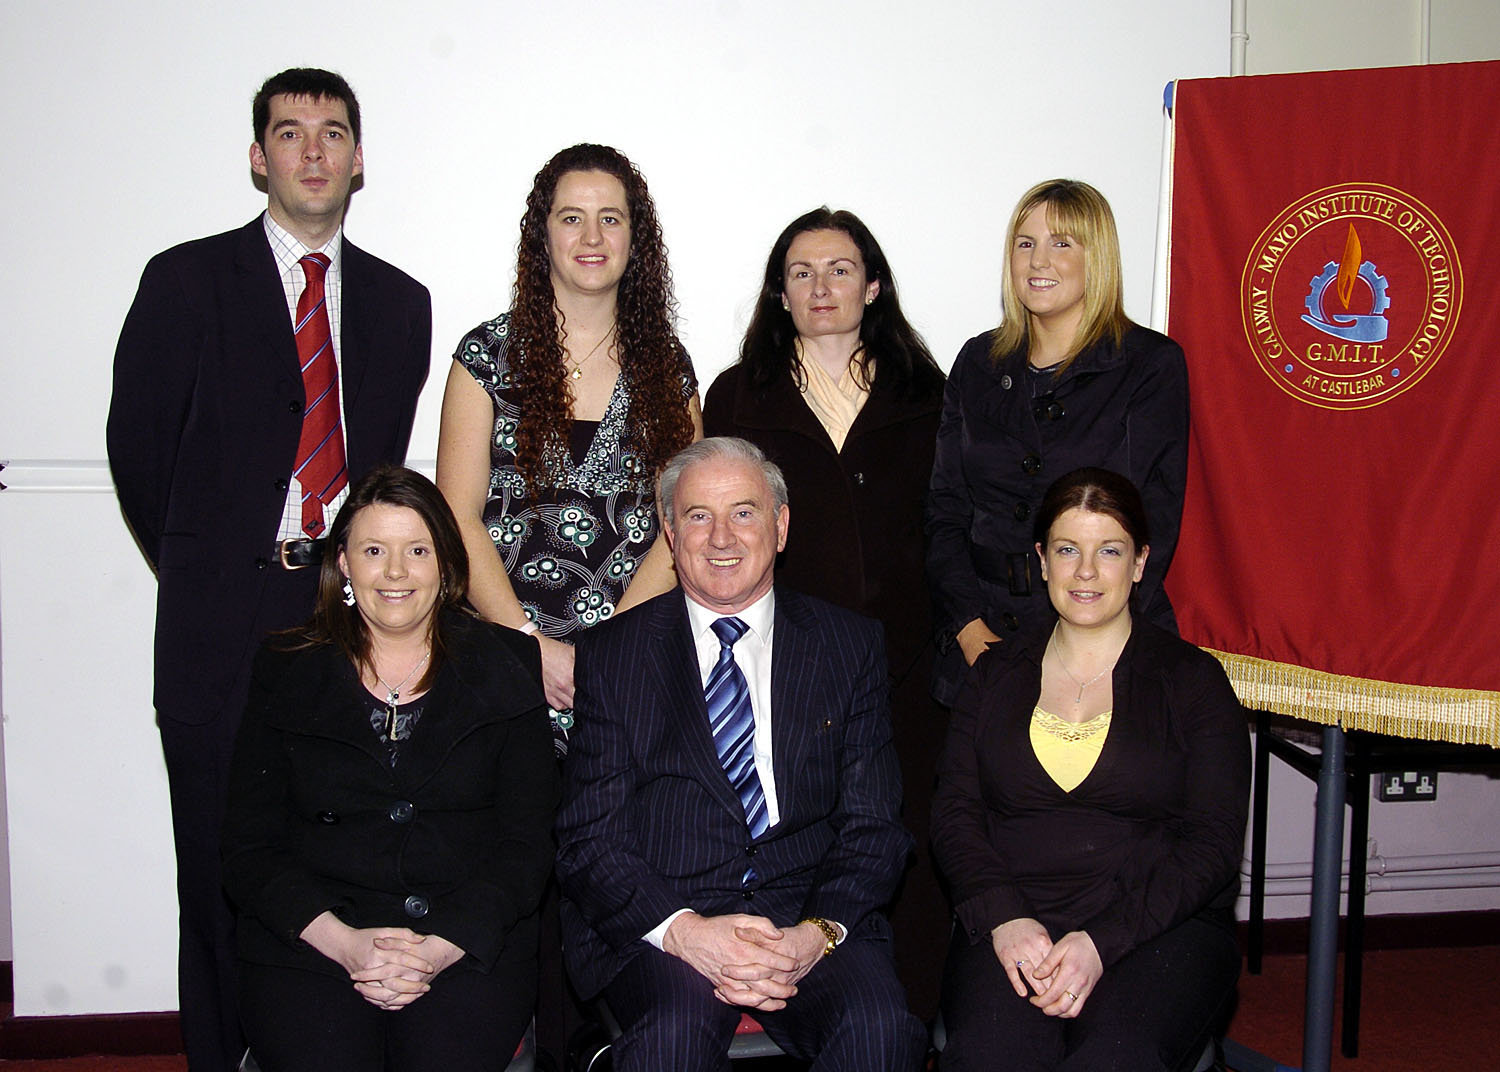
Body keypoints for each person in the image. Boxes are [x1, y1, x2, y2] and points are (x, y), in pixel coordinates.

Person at [106, 67, 431, 1070]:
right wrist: (212, 569)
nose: (314, 152)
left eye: (334, 133)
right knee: (214, 867)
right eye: (290, 134)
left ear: (359, 157)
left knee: (333, 852)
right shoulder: (185, 281)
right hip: (217, 620)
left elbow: (377, 468)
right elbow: (139, 453)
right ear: (259, 157)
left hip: (344, 621)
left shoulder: (399, 303)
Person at [556, 437, 927, 1071]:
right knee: (669, 1042)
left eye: (744, 512)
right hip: (669, 922)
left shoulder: (848, 646)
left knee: (883, 1031)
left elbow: (874, 828)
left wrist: (816, 935)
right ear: (671, 535)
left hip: (807, 917)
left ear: (780, 526)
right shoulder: (613, 656)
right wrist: (687, 932)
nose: (721, 536)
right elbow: (590, 839)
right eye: (698, 515)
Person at [222, 465, 558, 1072]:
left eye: (417, 551)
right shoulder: (286, 669)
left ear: (446, 564)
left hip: (464, 940)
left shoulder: (507, 663)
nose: (396, 572)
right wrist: (346, 945)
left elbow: (528, 846)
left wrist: (437, 950)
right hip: (314, 942)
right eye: (374, 550)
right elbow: (249, 848)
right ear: (344, 564)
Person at [702, 207, 948, 1016]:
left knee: (904, 837)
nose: (820, 286)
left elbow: (950, 521)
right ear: (779, 292)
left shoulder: (927, 390)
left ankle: (904, 1022)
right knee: (806, 838)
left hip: (911, 662)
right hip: (792, 663)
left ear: (872, 286)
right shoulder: (740, 396)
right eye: (801, 272)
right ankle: (794, 996)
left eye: (840, 269)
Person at [930, 467, 1248, 1071]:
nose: (1085, 572)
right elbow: (954, 816)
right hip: (1015, 922)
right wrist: (1003, 916)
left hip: (1160, 928)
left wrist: (1103, 942)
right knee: (990, 1055)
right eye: (1067, 550)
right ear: (1042, 560)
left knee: (1115, 1057)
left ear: (1139, 563)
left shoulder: (1194, 682)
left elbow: (1212, 845)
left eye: (1109, 551)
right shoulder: (994, 675)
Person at [437, 143, 701, 751]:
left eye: (611, 217)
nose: (592, 235)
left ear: (636, 239)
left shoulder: (668, 367)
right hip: (501, 661)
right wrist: (530, 644)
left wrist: (609, 650)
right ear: (542, 234)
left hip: (636, 667)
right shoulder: (485, 356)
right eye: (571, 217)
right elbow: (456, 515)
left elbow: (685, 520)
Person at [926, 178, 1188, 706]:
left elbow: (1153, 520)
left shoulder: (1149, 365)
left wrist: (1085, 646)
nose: (1038, 260)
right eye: (1025, 243)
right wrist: (969, 629)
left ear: (1099, 257)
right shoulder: (977, 363)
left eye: (1061, 243)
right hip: (985, 646)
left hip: (1106, 647)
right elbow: (944, 512)